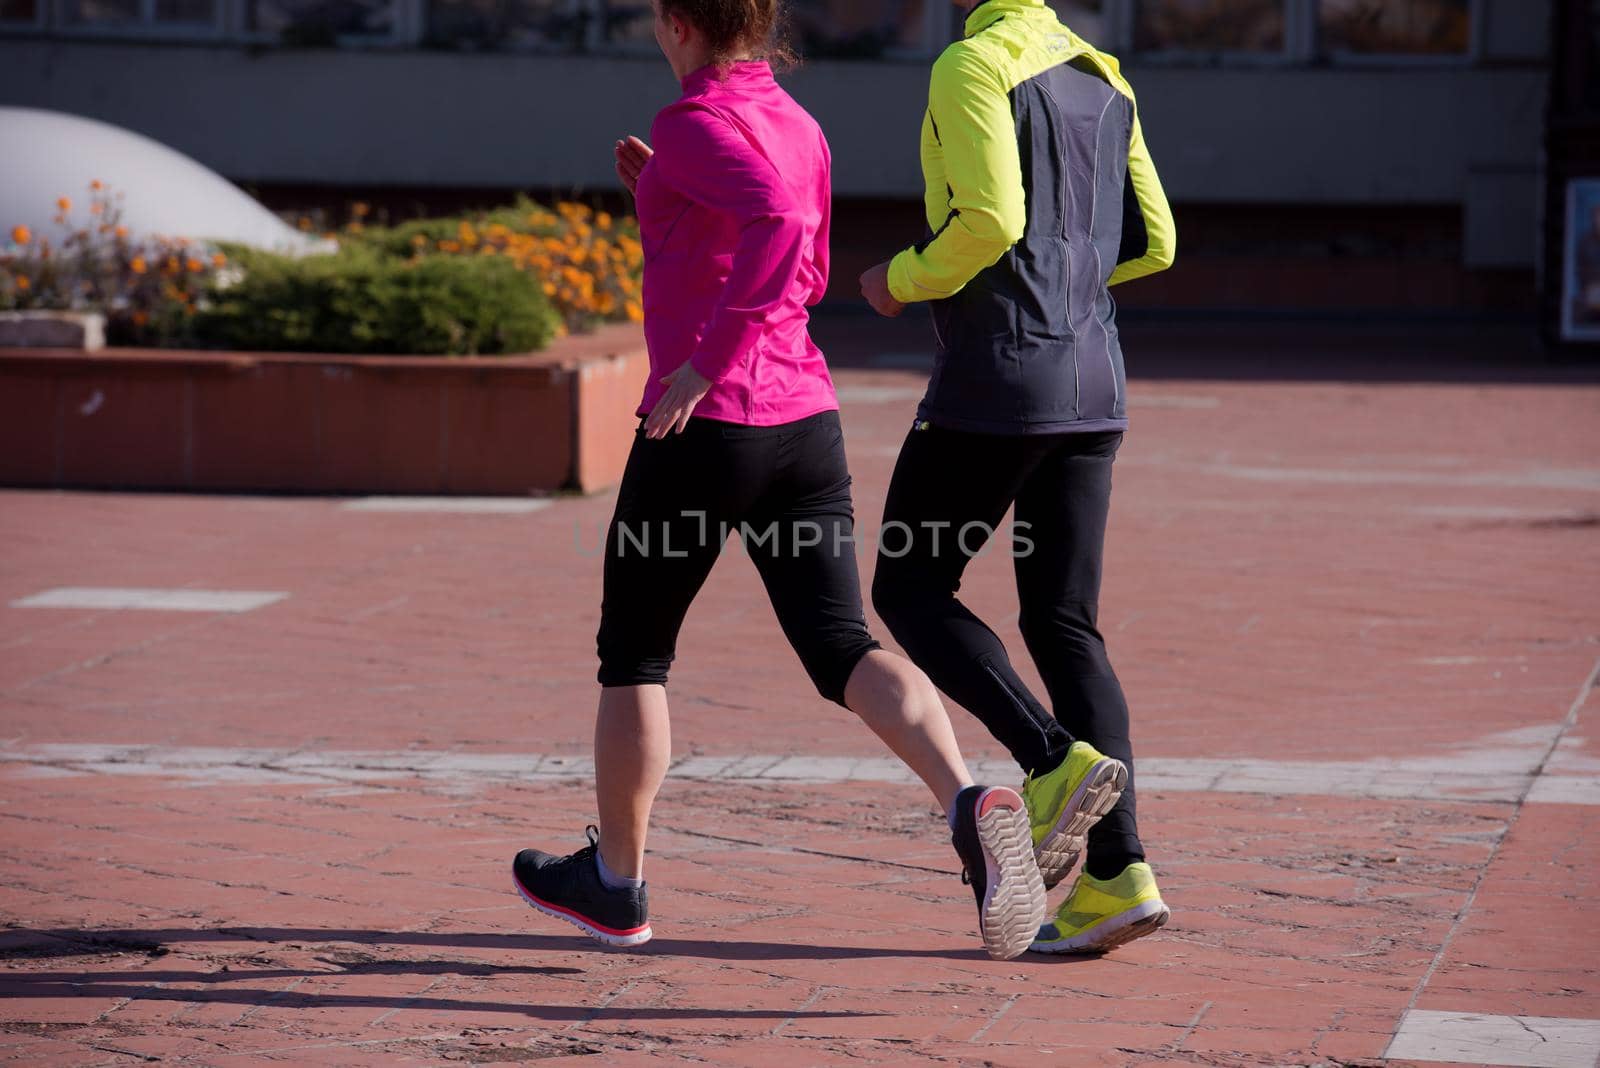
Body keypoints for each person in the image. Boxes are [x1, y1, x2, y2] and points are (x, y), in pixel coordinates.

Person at [511, 0, 1046, 961]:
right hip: (806, 425)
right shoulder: (796, 120)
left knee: (634, 653)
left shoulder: (693, 118)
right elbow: (787, 235)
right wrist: (660, 189)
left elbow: (777, 218)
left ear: (679, 23)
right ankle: (968, 798)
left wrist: (703, 363)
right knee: (841, 642)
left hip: (705, 428)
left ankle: (618, 885)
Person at [859, 0, 1177, 955]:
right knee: (1065, 623)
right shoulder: (1103, 71)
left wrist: (900, 278)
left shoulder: (972, 63)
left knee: (908, 586)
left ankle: (1049, 763)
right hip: (1096, 382)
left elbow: (991, 218)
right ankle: (1119, 878)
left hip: (999, 380)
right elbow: (1153, 241)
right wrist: (1069, 286)